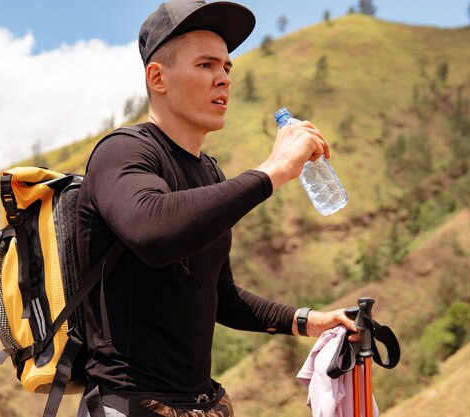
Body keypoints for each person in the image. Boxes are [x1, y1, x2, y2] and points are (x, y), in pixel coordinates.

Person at [75, 1, 357, 416]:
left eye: (227, 67)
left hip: (204, 404)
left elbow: (220, 296)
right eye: (206, 66)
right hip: (130, 404)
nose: (223, 79)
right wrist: (274, 170)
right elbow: (152, 231)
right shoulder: (122, 152)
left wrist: (308, 320)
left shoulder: (209, 173)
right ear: (158, 77)